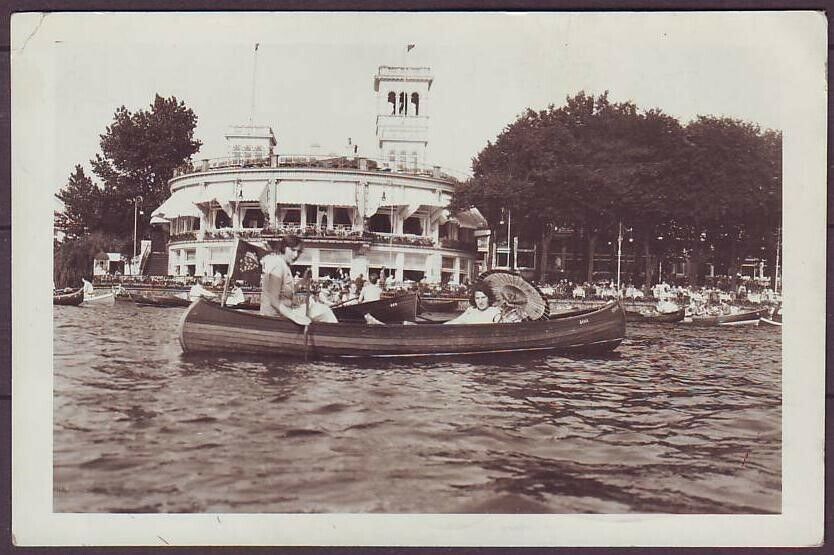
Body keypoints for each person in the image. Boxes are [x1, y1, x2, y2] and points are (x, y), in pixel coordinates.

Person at [260, 235, 338, 325]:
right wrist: (295, 317)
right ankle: (336, 335)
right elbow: (273, 300)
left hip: (285, 312)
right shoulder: (278, 265)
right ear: (284, 248)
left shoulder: (284, 265)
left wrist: (304, 280)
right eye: (293, 250)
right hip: (274, 317)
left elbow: (289, 291)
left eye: (299, 252)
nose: (295, 255)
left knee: (319, 308)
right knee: (325, 311)